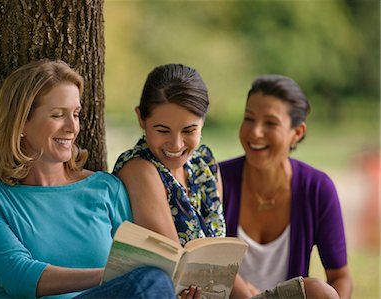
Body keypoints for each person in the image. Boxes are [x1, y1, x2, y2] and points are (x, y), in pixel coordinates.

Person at [0, 59, 176, 299]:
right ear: (21, 122)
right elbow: (18, 277)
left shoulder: (106, 189)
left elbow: (136, 268)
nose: (72, 127)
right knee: (149, 282)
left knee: (155, 283)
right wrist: (112, 275)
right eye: (58, 115)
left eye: (75, 114)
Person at [113, 64, 313, 299]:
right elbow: (178, 268)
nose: (176, 144)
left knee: (317, 291)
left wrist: (248, 293)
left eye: (189, 130)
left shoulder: (203, 165)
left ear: (203, 122)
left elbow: (219, 266)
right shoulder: (141, 168)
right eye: (162, 130)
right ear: (141, 118)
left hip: (221, 293)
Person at [219, 74, 352, 298]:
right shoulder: (216, 179)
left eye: (270, 123)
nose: (255, 132)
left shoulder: (316, 188)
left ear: (297, 133)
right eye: (249, 118)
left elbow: (340, 275)